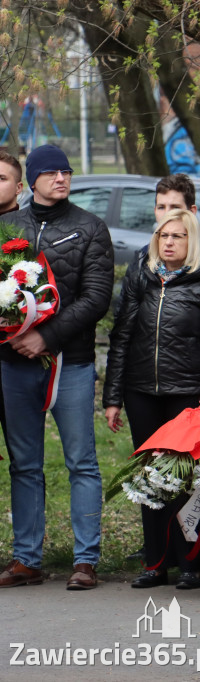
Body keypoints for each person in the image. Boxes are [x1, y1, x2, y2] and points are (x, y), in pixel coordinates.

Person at [0, 145, 114, 590]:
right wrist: (13, 332)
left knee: (81, 460)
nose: (60, 178)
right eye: (50, 173)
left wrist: (46, 336)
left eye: (66, 172)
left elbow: (96, 298)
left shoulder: (90, 227)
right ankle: (27, 558)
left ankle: (85, 560)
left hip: (72, 361)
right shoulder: (8, 226)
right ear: (32, 181)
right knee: (24, 463)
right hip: (14, 363)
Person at [102, 209, 200, 589]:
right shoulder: (141, 276)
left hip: (187, 397)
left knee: (188, 481)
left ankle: (190, 564)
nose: (169, 242)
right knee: (151, 481)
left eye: (177, 236)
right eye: (163, 236)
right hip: (141, 392)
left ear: (192, 241)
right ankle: (155, 563)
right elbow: (121, 336)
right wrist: (113, 396)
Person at [0, 150, 24, 457]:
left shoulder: (28, 228)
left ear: (19, 187)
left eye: (2, 178)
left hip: (17, 356)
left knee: (23, 455)